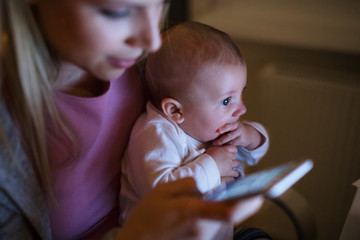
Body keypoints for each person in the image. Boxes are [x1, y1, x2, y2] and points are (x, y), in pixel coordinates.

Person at [0, 0, 264, 239]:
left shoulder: (148, 72)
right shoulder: (8, 130)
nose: (152, 42)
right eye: (118, 11)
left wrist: (248, 140)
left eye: (158, 4)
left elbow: (220, 147)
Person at [120, 22, 269, 239]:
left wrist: (250, 137)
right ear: (175, 111)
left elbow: (252, 156)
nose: (241, 109)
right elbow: (161, 196)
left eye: (240, 95)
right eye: (227, 100)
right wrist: (212, 164)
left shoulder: (207, 123)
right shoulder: (154, 134)